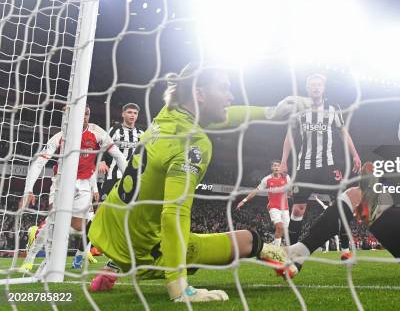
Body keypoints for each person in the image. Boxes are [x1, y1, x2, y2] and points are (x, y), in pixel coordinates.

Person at [87, 64, 308, 303]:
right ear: (200, 94)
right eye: (223, 89)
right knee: (249, 239)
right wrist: (178, 286)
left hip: (109, 225)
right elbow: (173, 214)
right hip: (143, 250)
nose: (230, 96)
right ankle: (271, 251)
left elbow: (224, 117)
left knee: (147, 212)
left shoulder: (169, 113)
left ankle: (112, 266)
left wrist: (272, 112)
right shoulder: (194, 144)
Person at [19, 104, 127, 272]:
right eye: (80, 114)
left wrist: (128, 179)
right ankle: (31, 258)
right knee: (55, 221)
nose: (83, 117)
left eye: (87, 114)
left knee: (80, 229)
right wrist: (28, 190)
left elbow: (118, 156)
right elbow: (40, 162)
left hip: (84, 185)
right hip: (61, 182)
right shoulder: (61, 136)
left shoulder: (97, 133)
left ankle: (37, 232)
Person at [280, 74, 361, 254]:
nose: (316, 88)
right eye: (312, 85)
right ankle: (291, 250)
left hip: (328, 166)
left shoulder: (333, 109)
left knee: (341, 203)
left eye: (319, 85)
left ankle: (345, 248)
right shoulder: (298, 110)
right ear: (307, 88)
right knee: (298, 209)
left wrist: (355, 154)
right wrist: (284, 160)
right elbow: (289, 136)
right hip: (304, 167)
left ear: (323, 88)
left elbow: (343, 132)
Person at [237, 160, 291, 246]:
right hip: (273, 207)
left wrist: (290, 191)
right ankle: (276, 249)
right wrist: (244, 200)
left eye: (278, 166)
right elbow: (256, 191)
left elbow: (290, 192)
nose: (276, 167)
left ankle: (273, 243)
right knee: (279, 227)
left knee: (284, 230)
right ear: (272, 168)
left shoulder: (286, 177)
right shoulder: (267, 179)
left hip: (285, 208)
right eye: (275, 166)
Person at [98, 103, 144, 200]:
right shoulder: (115, 129)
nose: (132, 115)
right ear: (123, 114)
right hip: (114, 173)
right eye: (129, 112)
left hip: (132, 176)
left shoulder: (141, 133)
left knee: (127, 206)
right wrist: (101, 161)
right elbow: (103, 145)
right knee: (104, 204)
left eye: (135, 113)